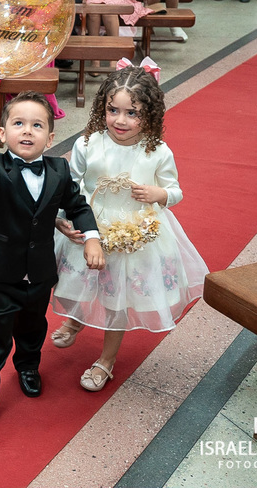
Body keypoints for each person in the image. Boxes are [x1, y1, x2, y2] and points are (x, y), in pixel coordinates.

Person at [50, 65, 207, 391]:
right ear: (102, 108)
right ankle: (77, 320)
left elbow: (175, 191)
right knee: (83, 281)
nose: (120, 120)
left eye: (132, 113)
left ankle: (106, 359)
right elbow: (72, 185)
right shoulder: (88, 144)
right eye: (112, 110)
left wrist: (158, 194)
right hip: (90, 226)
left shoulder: (157, 152)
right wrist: (63, 218)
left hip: (133, 234)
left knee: (116, 297)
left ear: (149, 115)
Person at [0, 93, 103, 421]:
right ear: (1, 133)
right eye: (18, 124)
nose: (27, 131)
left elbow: (77, 206)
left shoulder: (59, 169)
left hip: (39, 271)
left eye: (37, 125)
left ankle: (27, 368)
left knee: (33, 327)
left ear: (50, 137)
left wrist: (92, 239)